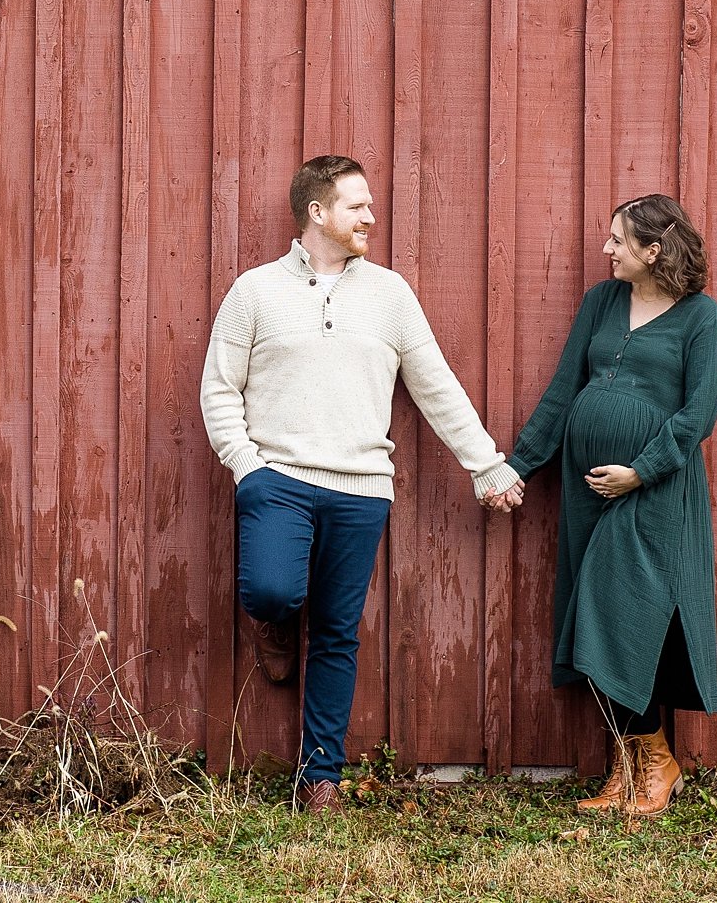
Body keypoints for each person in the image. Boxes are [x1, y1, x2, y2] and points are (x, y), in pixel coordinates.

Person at [200, 154, 525, 811]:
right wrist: (247, 465)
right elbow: (218, 387)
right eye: (358, 205)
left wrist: (486, 462)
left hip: (362, 487)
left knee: (339, 633)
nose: (371, 215)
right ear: (317, 211)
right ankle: (275, 620)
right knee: (271, 587)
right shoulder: (255, 291)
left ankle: (320, 776)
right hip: (278, 479)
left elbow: (435, 385)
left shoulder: (389, 295)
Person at [502, 194, 717, 819]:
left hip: (654, 492)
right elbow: (563, 389)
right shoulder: (602, 303)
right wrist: (516, 466)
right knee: (599, 613)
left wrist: (641, 471)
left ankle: (657, 760)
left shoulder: (700, 317)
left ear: (653, 251)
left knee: (630, 612)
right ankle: (627, 769)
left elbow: (698, 415)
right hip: (588, 491)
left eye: (617, 241)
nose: (606, 250)